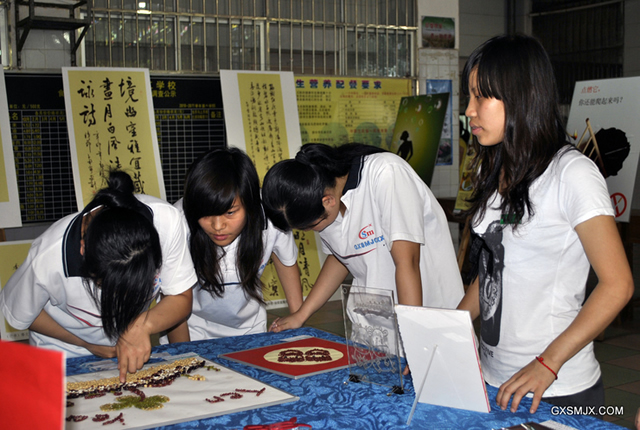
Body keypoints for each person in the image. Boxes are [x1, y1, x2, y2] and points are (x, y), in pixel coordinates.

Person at [456, 34, 633, 415]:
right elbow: (491, 273)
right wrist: (447, 334)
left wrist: (547, 363)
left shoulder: (573, 174)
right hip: (493, 378)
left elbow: (618, 284)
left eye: (480, 97)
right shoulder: (498, 168)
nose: (469, 110)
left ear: (521, 97)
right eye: (468, 97)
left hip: (555, 387)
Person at [0, 171, 197, 382]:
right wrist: (86, 344)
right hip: (65, 353)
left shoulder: (166, 222)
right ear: (83, 248)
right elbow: (22, 316)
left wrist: (141, 325)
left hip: (132, 344)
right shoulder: (47, 257)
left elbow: (180, 297)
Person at [261, 142, 464, 335]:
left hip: (425, 322)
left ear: (328, 201)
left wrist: (413, 337)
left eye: (311, 226)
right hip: (374, 331)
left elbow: (407, 262)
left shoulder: (386, 173)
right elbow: (343, 257)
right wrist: (301, 314)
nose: (310, 232)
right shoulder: (323, 195)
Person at [165, 147, 303, 343]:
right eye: (206, 214)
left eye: (230, 213)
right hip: (191, 329)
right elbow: (172, 296)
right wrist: (184, 353)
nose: (218, 226)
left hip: (250, 330)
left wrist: (298, 317)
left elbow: (285, 261)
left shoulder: (270, 216)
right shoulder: (178, 221)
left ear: (250, 203)